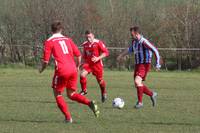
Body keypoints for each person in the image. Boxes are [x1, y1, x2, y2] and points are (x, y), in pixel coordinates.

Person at [39, 21, 100, 123]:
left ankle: (68, 118)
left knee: (57, 94)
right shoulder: (68, 39)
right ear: (61, 30)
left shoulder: (49, 41)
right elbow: (79, 55)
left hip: (62, 70)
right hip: (72, 69)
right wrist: (77, 67)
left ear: (52, 30)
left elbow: (45, 61)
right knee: (71, 94)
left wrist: (41, 69)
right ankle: (89, 103)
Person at [117, 26, 161, 109]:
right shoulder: (134, 42)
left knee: (137, 81)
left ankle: (140, 103)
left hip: (144, 64)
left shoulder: (144, 42)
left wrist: (158, 64)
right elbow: (130, 49)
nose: (131, 36)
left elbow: (155, 50)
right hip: (138, 64)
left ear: (136, 34)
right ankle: (152, 94)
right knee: (138, 84)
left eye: (132, 34)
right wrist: (121, 55)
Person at [79, 30, 109, 103]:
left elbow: (106, 52)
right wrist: (81, 63)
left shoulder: (98, 43)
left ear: (93, 36)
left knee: (100, 81)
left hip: (97, 65)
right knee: (82, 75)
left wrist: (98, 58)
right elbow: (84, 55)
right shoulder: (85, 44)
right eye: (87, 37)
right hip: (88, 64)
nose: (88, 39)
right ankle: (84, 90)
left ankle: (103, 92)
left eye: (89, 37)